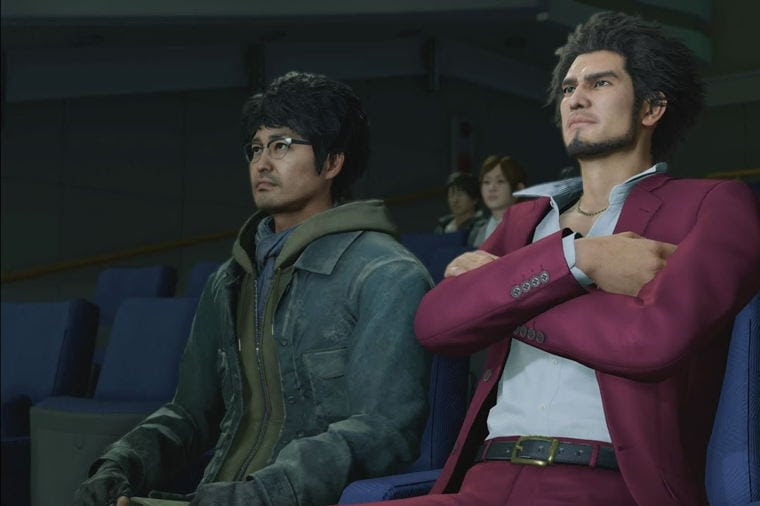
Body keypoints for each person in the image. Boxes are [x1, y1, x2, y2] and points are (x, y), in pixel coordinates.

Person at [364, 11, 760, 506]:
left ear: (651, 108)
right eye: (568, 88)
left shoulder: (716, 205)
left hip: (608, 485)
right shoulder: (523, 219)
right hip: (483, 479)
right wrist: (580, 258)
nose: (575, 98)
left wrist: (501, 299)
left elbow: (652, 341)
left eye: (600, 83)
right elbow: (435, 324)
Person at [73, 72, 432, 506]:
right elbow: (189, 414)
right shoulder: (230, 279)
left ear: (332, 163)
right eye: (256, 148)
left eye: (282, 145)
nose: (262, 163)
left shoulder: (385, 274)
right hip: (215, 494)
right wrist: (121, 465)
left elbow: (384, 429)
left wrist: (257, 495)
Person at [470, 155, 528, 247]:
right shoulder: (477, 232)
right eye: (486, 182)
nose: (491, 188)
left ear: (519, 189)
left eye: (500, 181)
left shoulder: (529, 229)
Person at [434, 171, 485, 244]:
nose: (455, 200)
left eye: (460, 194)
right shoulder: (441, 228)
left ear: (475, 199)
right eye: (451, 194)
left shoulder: (482, 227)